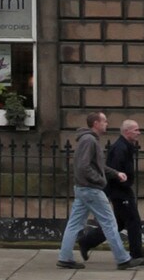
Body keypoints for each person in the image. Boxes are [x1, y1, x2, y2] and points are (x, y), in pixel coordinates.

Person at [57, 112, 133, 270]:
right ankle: (122, 258)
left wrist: (115, 173)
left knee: (74, 223)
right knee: (110, 223)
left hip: (83, 189)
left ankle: (65, 257)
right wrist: (100, 180)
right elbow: (83, 167)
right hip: (91, 189)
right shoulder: (89, 140)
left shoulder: (89, 140)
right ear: (96, 123)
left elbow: (96, 166)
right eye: (104, 121)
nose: (107, 124)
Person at [78, 118, 144, 265]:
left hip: (122, 190)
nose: (139, 133)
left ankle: (87, 241)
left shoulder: (125, 146)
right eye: (136, 130)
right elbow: (112, 170)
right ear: (127, 131)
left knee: (119, 223)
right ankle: (137, 254)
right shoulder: (120, 148)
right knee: (133, 221)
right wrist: (121, 183)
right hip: (120, 191)